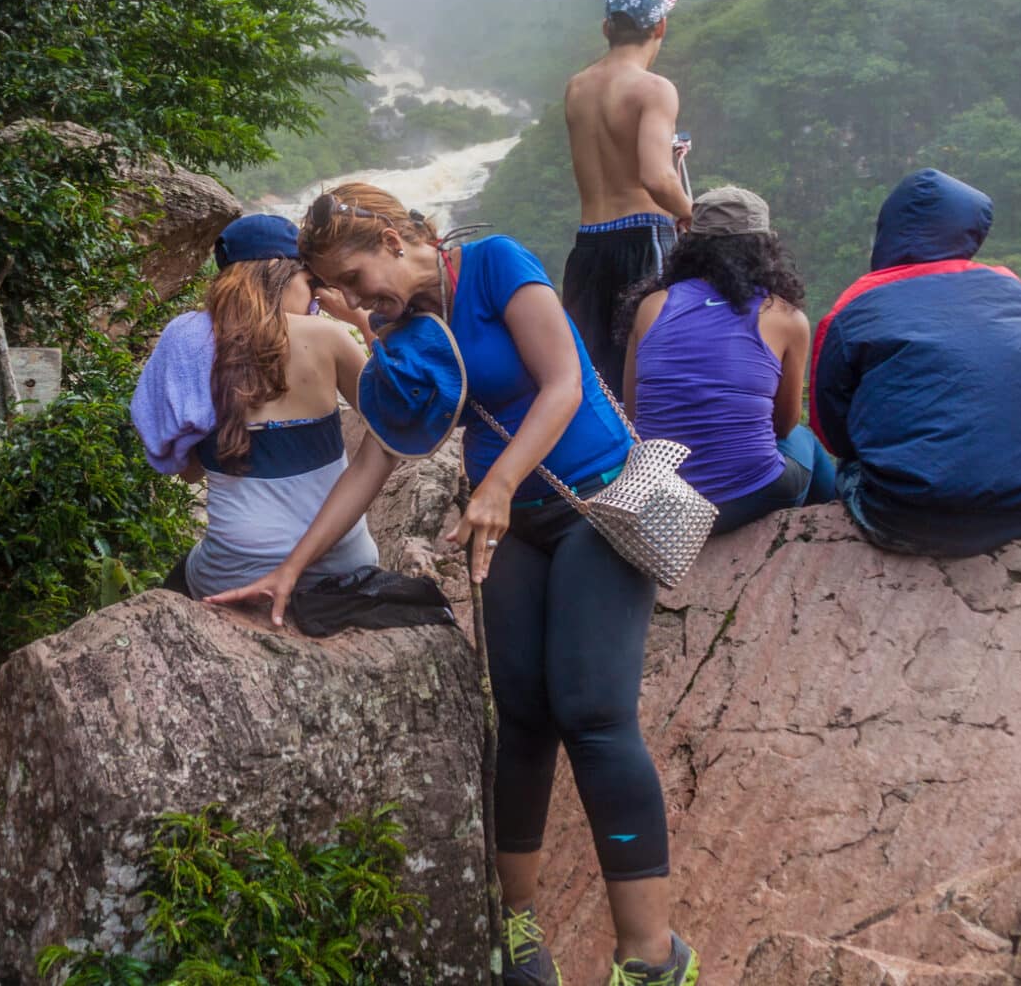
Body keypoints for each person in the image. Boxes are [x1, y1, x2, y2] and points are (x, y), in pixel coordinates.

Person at [208, 184, 699, 986]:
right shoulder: (404, 334)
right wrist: (289, 570)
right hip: (510, 523)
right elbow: (375, 457)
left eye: (363, 279)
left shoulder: (499, 263)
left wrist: (497, 484)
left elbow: (562, 384)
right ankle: (516, 928)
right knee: (524, 718)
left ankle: (649, 956)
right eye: (344, 291)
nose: (363, 302)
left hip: (594, 501)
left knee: (594, 713)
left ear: (398, 237)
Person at [811, 169, 1021, 556]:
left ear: (887, 229)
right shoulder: (1015, 292)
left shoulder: (854, 306)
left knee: (849, 468)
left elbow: (830, 430)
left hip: (902, 519)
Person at [130, 214, 379, 598]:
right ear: (280, 270)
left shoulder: (187, 341)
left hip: (235, 570)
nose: (316, 296)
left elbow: (190, 474)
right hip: (345, 560)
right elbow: (396, 419)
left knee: (179, 579)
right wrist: (362, 322)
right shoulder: (329, 336)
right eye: (311, 281)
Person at [619, 186, 836, 533]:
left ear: (690, 244)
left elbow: (634, 414)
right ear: (764, 248)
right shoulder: (784, 317)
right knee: (803, 440)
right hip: (744, 495)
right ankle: (833, 530)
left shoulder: (652, 306)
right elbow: (783, 425)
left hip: (663, 496)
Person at [562, 0, 695, 396]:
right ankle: (653, 459)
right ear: (660, 28)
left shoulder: (577, 88)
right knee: (651, 365)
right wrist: (691, 212)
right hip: (643, 239)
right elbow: (656, 177)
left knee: (595, 373)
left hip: (588, 245)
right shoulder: (654, 89)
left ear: (607, 29)